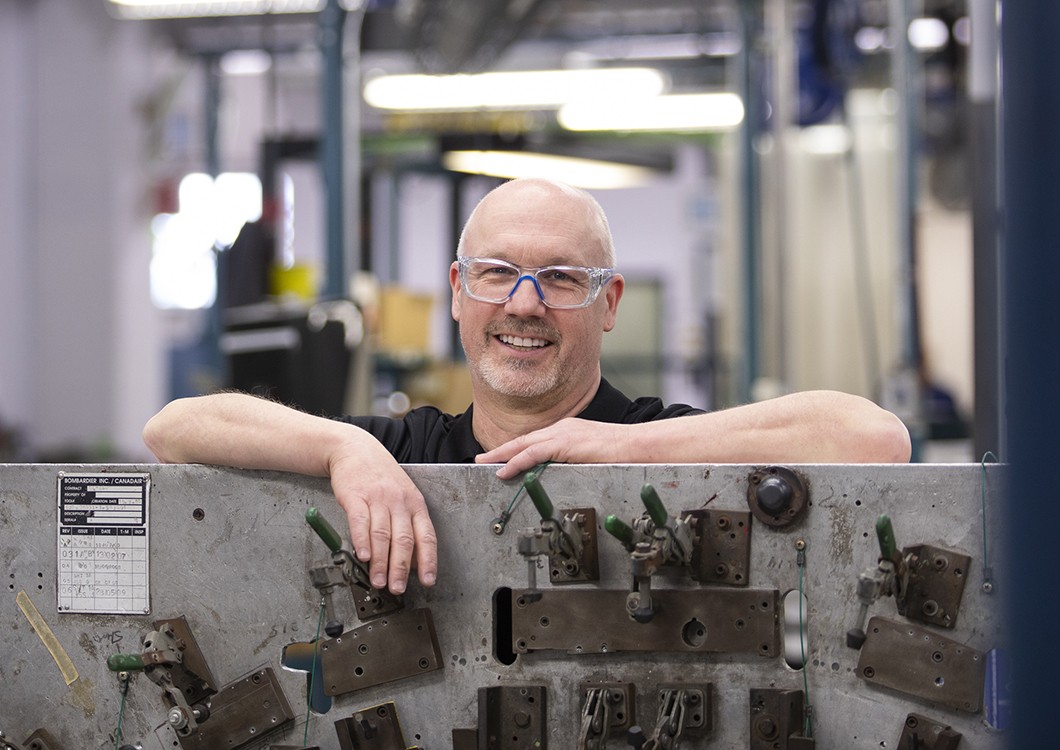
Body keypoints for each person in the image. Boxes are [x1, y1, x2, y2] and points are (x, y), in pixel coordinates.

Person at [143, 177, 911, 596]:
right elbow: (176, 427)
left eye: (561, 279)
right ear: (456, 290)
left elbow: (876, 437)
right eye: (499, 272)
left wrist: (622, 449)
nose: (524, 303)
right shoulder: (405, 449)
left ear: (608, 304)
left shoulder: (656, 438)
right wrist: (343, 447)